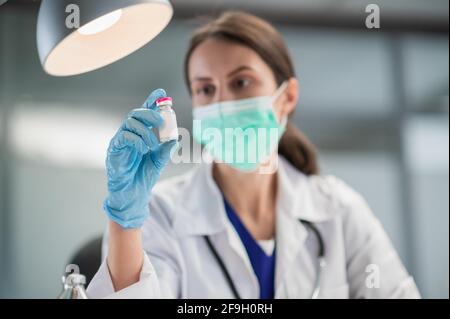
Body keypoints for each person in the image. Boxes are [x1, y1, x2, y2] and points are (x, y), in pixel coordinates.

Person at [87, 11, 420, 299]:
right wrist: (125, 220)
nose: (223, 103)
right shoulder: (161, 213)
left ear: (287, 97)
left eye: (241, 82)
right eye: (205, 89)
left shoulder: (338, 211)